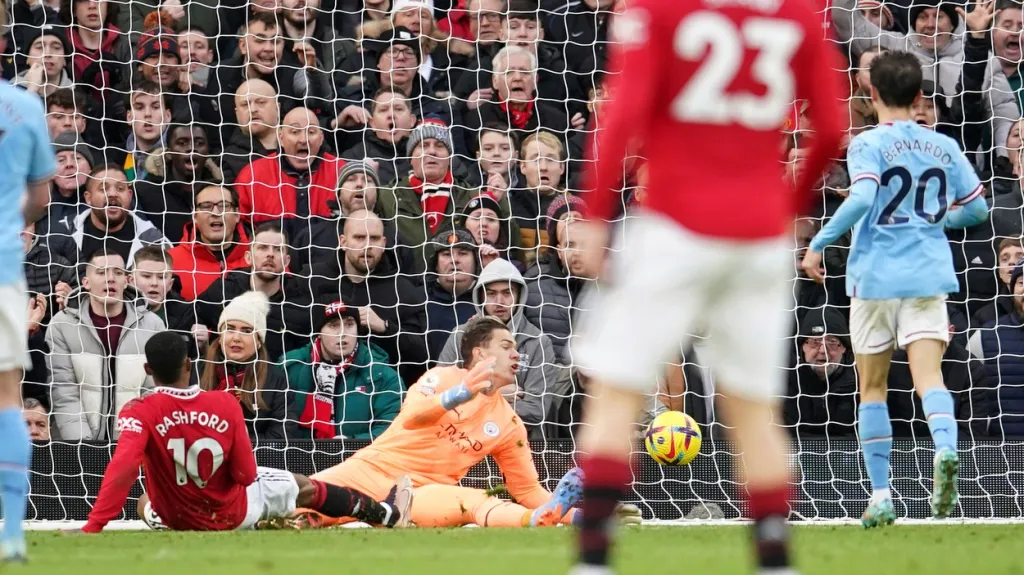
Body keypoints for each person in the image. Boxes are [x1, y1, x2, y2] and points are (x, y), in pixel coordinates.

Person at [568, 0, 845, 573]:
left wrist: (595, 214)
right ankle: (775, 559)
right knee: (752, 407)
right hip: (759, 234)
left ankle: (593, 558)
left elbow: (621, 114)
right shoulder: (796, 13)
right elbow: (833, 127)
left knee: (617, 389)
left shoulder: (661, 8)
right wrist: (790, 207)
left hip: (673, 224)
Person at [802, 51, 990, 528]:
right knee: (930, 378)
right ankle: (945, 448)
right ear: (919, 95)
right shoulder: (943, 145)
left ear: (871, 93)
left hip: (875, 278)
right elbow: (978, 211)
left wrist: (819, 242)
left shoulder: (866, 143)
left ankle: (882, 495)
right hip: (927, 275)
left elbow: (864, 196)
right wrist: (935, 220)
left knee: (873, 387)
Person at [79, 331, 413, 533]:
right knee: (303, 486)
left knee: (143, 502)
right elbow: (245, 474)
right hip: (233, 514)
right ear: (189, 364)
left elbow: (123, 467)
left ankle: (258, 522)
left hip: (178, 518)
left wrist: (94, 525)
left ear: (148, 369)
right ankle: (387, 514)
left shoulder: (137, 410)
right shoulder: (224, 402)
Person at [297, 317, 614, 529]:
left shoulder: (510, 424)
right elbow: (412, 418)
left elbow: (528, 488)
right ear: (480, 354)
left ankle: (534, 521)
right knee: (295, 505)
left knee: (474, 501)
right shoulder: (442, 377)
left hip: (420, 494)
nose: (517, 354)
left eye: (516, 348)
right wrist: (458, 395)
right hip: (370, 471)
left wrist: (581, 516)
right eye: (507, 347)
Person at [0, 55, 55, 563]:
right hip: (3, 269)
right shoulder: (23, 106)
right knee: (7, 399)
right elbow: (40, 199)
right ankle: (12, 534)